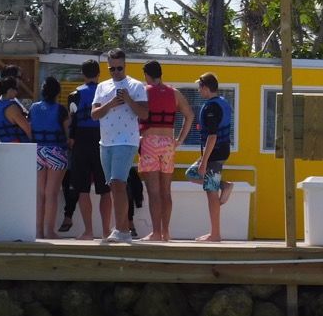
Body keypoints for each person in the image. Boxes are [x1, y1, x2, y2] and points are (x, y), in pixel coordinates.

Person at [90, 48, 149, 244]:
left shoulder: (136, 85)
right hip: (105, 141)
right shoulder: (102, 87)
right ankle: (122, 230)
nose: (116, 72)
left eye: (119, 68)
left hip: (126, 140)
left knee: (118, 183)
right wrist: (112, 103)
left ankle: (122, 229)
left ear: (125, 65)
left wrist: (128, 100)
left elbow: (144, 114)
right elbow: (94, 114)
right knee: (113, 186)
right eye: (112, 69)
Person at [138, 60, 194, 241]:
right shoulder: (174, 93)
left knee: (154, 191)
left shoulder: (143, 92)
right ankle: (166, 232)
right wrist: (180, 140)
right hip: (168, 143)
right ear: (160, 74)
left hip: (149, 141)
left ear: (146, 75)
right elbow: (190, 115)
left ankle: (155, 232)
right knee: (166, 191)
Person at [65, 59, 112, 239]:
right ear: (99, 73)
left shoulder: (74, 94)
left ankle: (89, 231)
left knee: (83, 188)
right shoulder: (106, 92)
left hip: (81, 141)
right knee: (105, 188)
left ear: (83, 74)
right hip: (103, 139)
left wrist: (71, 139)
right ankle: (107, 231)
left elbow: (73, 120)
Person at [185, 71, 234, 242]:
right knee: (191, 174)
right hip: (218, 151)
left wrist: (204, 161)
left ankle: (215, 234)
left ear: (205, 87)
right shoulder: (221, 103)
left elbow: (212, 136)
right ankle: (224, 185)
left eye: (199, 87)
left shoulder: (212, 107)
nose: (198, 91)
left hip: (214, 153)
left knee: (211, 192)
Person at [29, 76, 71, 239]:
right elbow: (67, 133)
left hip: (37, 151)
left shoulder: (33, 108)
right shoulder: (61, 110)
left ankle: (38, 232)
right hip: (56, 151)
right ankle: (49, 231)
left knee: (40, 193)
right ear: (57, 92)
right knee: (51, 193)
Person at [0, 77, 31, 142]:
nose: (17, 92)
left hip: (2, 145)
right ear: (10, 90)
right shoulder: (12, 108)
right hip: (17, 146)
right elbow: (27, 129)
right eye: (16, 89)